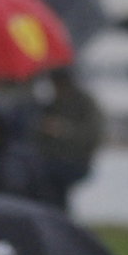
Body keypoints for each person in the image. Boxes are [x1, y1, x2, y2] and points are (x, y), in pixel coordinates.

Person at [30, 66, 105, 208]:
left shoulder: (85, 103)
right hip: (49, 160)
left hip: (74, 160)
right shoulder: (51, 104)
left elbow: (92, 134)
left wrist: (63, 130)